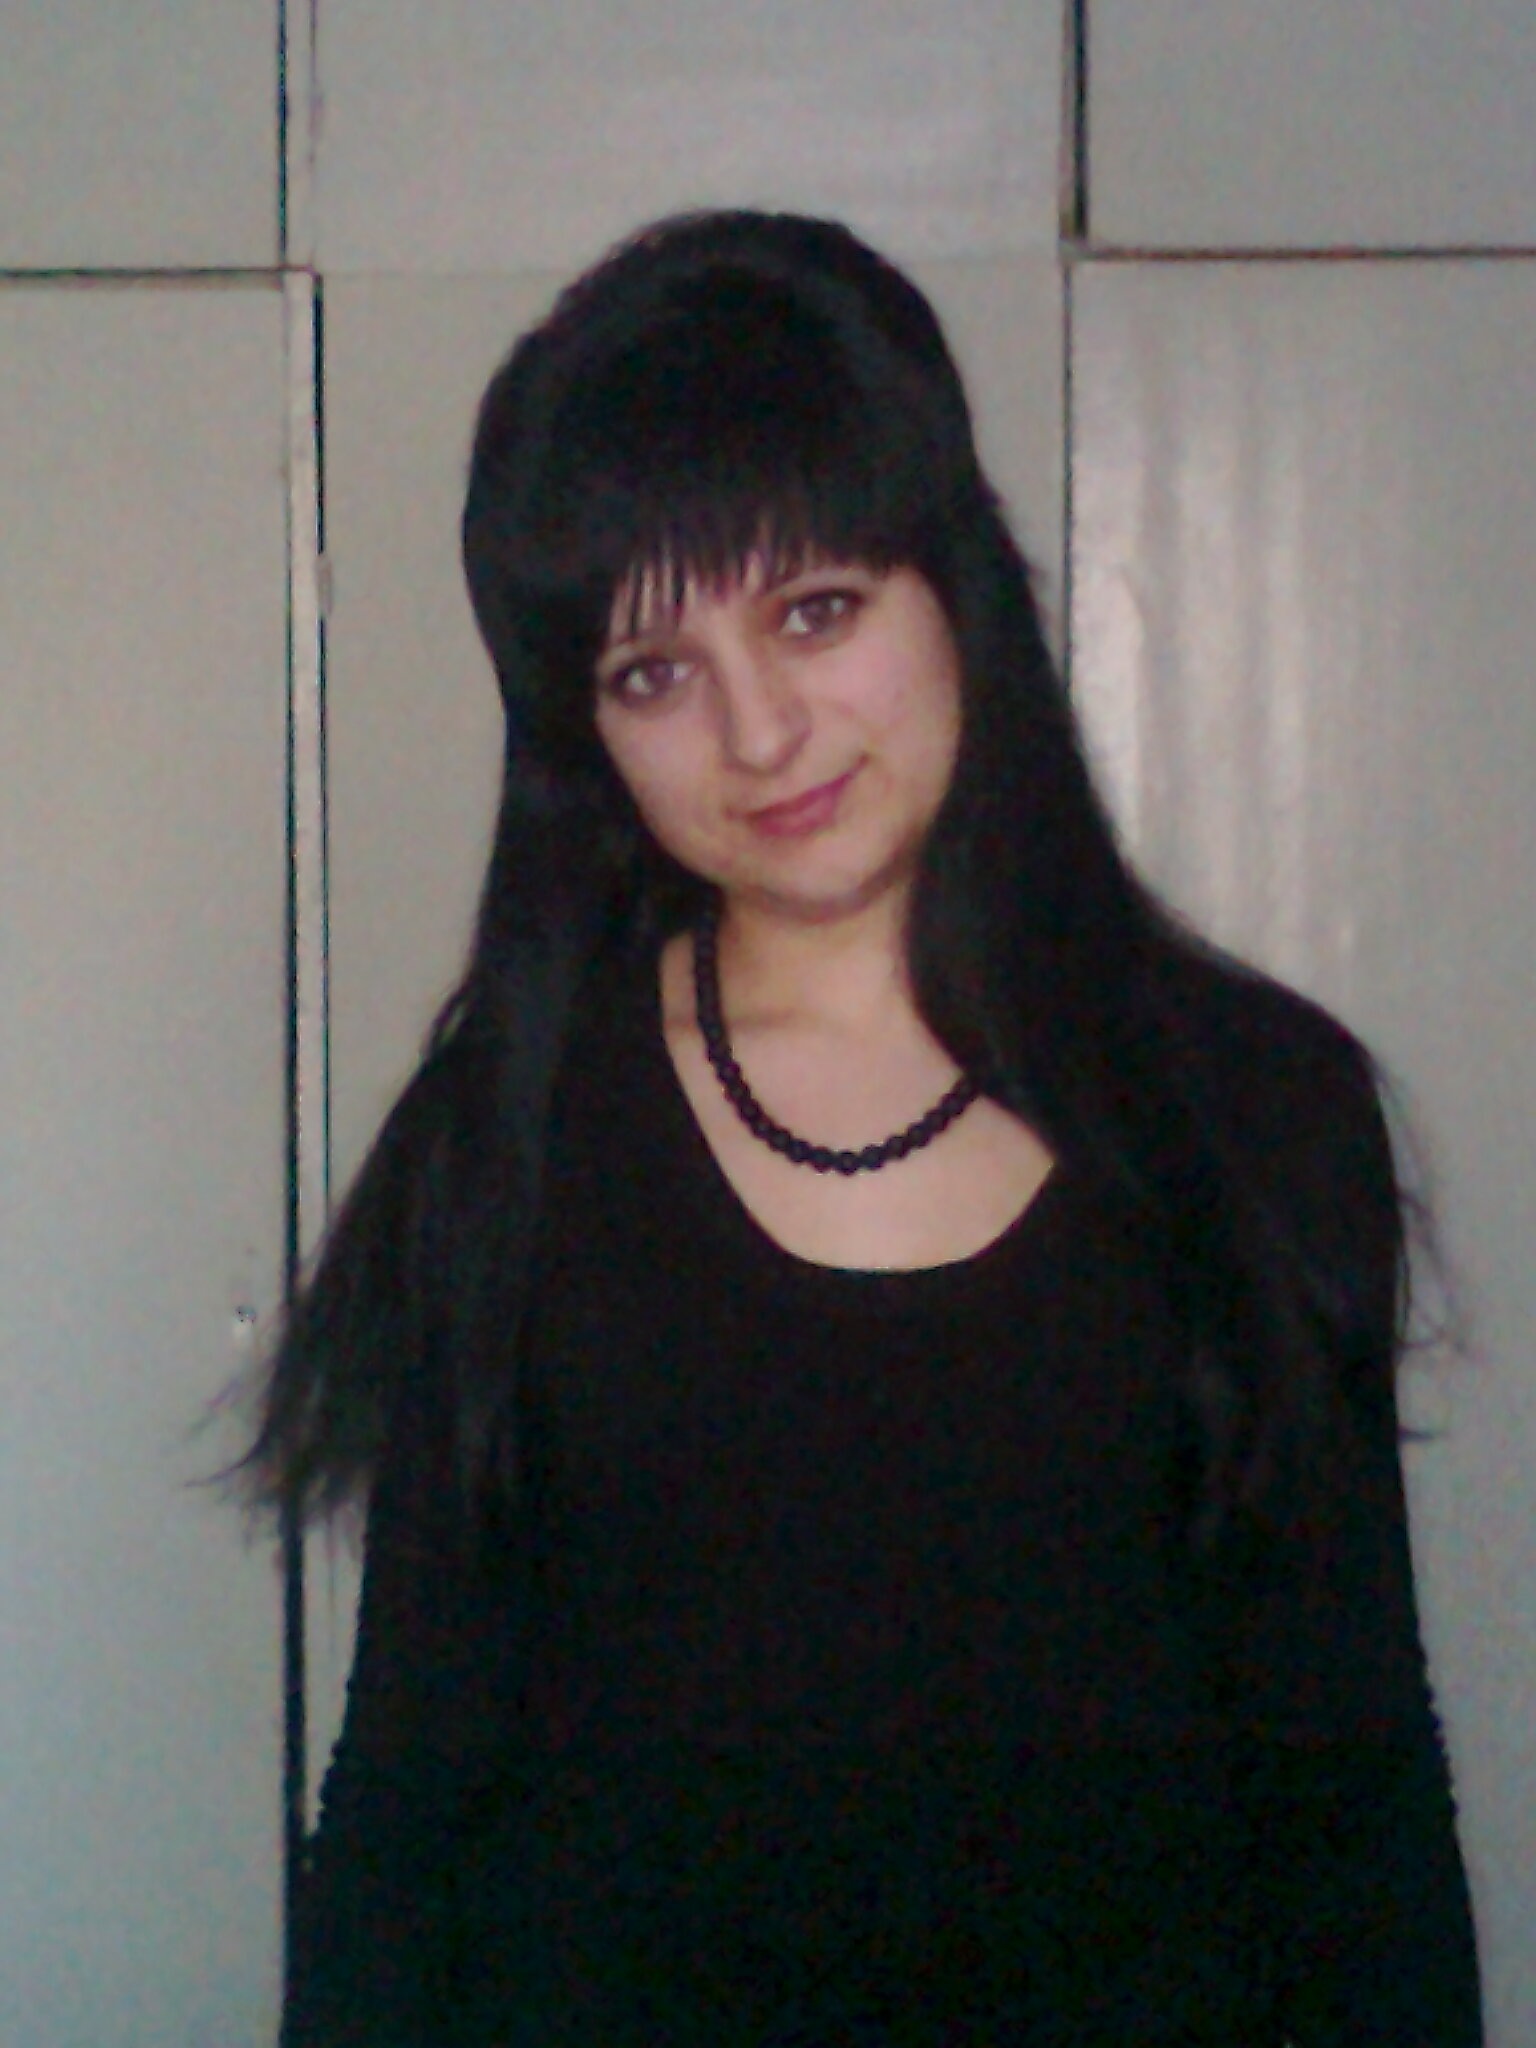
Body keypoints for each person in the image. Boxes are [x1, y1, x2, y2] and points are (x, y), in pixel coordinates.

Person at [242, 209, 1483, 2044]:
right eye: (653, 673)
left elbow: (1352, 1792)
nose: (760, 735)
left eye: (814, 611)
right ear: (585, 735)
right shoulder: (507, 1128)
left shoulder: (1260, 1108)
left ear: (952, 584)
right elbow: (406, 1800)